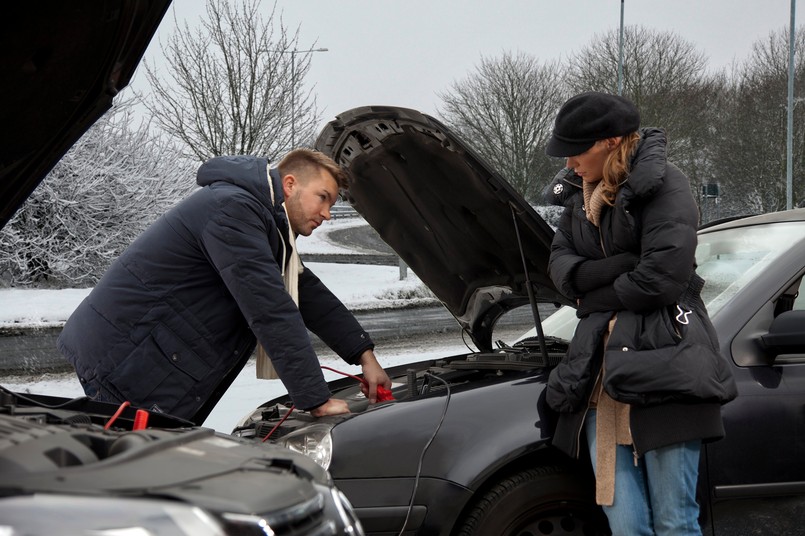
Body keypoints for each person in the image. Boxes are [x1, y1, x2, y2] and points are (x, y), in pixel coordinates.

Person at [58, 148, 391, 424]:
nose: (328, 214)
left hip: (146, 355)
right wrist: (317, 399)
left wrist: (364, 355)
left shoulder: (263, 224)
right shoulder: (232, 209)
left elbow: (307, 293)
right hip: (126, 359)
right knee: (127, 480)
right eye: (323, 198)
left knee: (139, 476)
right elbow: (270, 308)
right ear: (290, 184)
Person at [542, 92, 737, 535]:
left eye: (577, 151)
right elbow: (561, 269)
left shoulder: (667, 184)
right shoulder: (577, 197)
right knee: (626, 526)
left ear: (610, 141)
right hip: (598, 376)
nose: (569, 164)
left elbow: (662, 279)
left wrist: (593, 296)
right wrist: (621, 267)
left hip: (669, 367)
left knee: (674, 521)